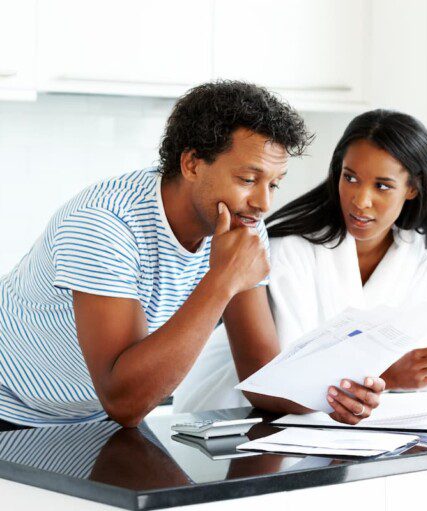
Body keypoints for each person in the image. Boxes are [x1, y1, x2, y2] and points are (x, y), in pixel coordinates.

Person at [0, 81, 384, 428]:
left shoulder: (242, 225)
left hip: (93, 416)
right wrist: (221, 281)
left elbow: (260, 376)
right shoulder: (103, 225)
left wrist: (331, 397)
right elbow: (124, 400)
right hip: (11, 406)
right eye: (247, 179)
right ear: (192, 163)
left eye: (274, 184)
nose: (263, 202)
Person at [175, 109, 427, 414]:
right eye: (350, 178)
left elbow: (419, 356)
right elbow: (285, 378)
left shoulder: (423, 255)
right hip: (238, 412)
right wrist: (388, 376)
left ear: (412, 189)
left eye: (382, 186)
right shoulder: (288, 249)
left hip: (344, 425)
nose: (361, 200)